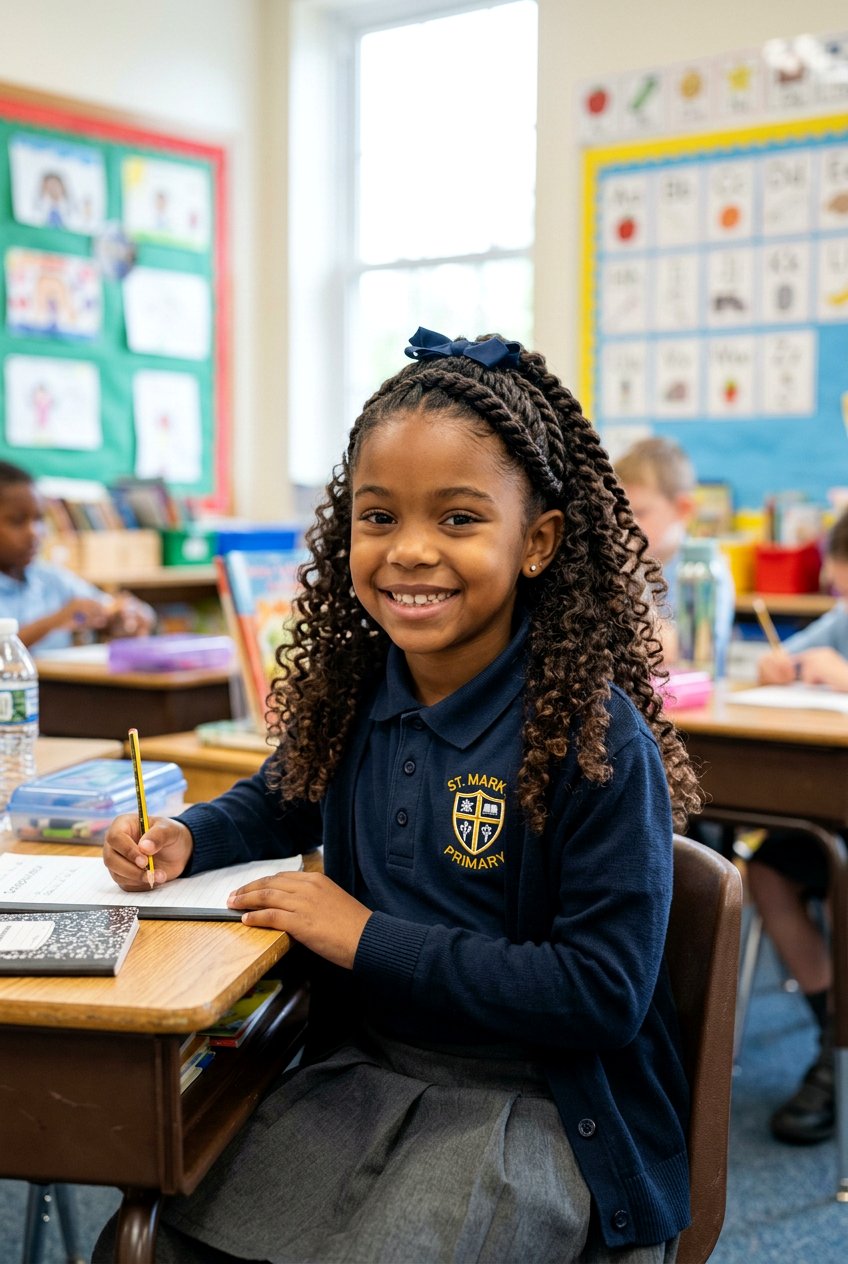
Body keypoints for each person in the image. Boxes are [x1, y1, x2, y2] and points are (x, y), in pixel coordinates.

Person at [95, 328, 701, 1263]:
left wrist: (365, 936)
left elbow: (602, 992)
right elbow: (277, 800)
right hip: (365, 1075)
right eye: (378, 518)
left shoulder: (593, 735)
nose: (410, 552)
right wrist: (185, 835)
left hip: (538, 1106)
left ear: (536, 541)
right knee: (152, 1242)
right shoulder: (358, 691)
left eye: (458, 519)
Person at [746, 508, 848, 1145]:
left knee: (842, 873)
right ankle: (834, 1033)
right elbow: (775, 660)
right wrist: (776, 668)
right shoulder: (841, 620)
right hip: (835, 805)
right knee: (770, 868)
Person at [0, 459, 154, 653]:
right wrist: (54, 622)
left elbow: (111, 606)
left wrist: (125, 616)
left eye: (39, 519)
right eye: (16, 521)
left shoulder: (50, 578)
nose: (34, 532)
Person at [615, 437, 735, 674]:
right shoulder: (622, 563)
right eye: (618, 514)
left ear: (683, 509)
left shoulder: (706, 568)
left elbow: (682, 650)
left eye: (640, 512)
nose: (625, 526)